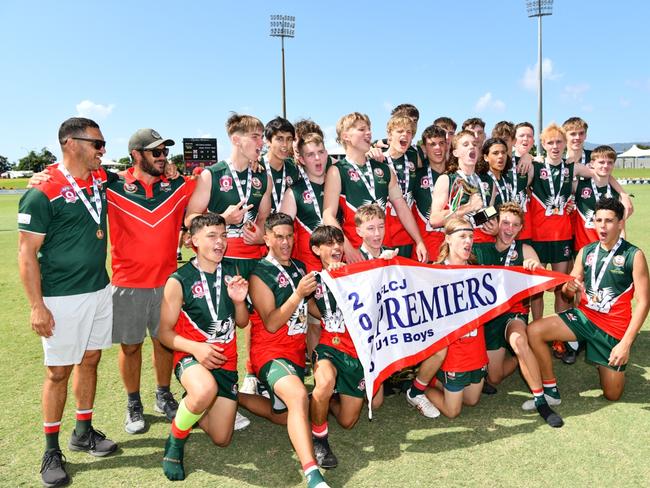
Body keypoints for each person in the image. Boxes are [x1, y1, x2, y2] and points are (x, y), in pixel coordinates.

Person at [18, 117, 117, 487]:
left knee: (91, 359)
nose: (103, 150)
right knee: (58, 372)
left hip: (98, 290)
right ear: (71, 143)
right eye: (98, 143)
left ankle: (83, 430)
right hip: (60, 297)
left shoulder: (100, 180)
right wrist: (36, 305)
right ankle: (50, 449)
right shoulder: (42, 191)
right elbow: (27, 253)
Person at [525, 198, 649, 405]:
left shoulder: (633, 255)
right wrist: (569, 287)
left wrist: (625, 345)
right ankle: (550, 390)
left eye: (608, 221)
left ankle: (603, 356)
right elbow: (566, 292)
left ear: (620, 223)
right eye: (598, 220)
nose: (602, 226)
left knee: (612, 394)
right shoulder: (587, 251)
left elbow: (644, 302)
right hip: (583, 317)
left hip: (612, 328)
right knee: (534, 330)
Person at [185, 113, 272, 399]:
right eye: (255, 137)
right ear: (236, 139)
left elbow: (265, 217)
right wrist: (223, 218)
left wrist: (260, 233)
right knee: (225, 319)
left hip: (256, 256)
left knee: (260, 316)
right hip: (224, 258)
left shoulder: (263, 174)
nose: (262, 142)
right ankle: (214, 384)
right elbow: (191, 218)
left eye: (262, 136)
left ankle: (253, 373)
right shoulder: (213, 173)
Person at [159, 213, 250, 481]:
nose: (220, 242)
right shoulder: (179, 280)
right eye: (212, 236)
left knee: (222, 438)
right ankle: (175, 441)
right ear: (193, 240)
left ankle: (194, 405)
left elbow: (242, 322)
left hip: (226, 362)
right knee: (204, 389)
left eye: (223, 235)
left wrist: (238, 301)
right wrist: (197, 349)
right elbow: (164, 333)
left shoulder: (234, 270)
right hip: (192, 357)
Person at [247, 213, 330, 488]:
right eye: (279, 236)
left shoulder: (299, 266)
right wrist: (297, 293)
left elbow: (311, 307)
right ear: (267, 238)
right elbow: (271, 323)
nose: (285, 242)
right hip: (269, 352)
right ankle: (312, 474)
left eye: (289, 236)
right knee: (297, 397)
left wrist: (332, 315)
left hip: (294, 355)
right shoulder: (260, 274)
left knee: (285, 416)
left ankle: (233, 396)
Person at [308, 225, 383, 469]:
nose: (337, 248)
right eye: (329, 244)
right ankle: (319, 439)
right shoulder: (312, 279)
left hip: (357, 352)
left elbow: (383, 278)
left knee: (348, 421)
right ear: (316, 250)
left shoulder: (357, 272)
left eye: (339, 242)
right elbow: (302, 304)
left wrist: (349, 274)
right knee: (325, 382)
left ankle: (323, 401)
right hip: (329, 347)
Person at [322, 112, 427, 264]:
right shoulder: (337, 170)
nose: (369, 133)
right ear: (345, 136)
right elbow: (328, 216)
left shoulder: (384, 169)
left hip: (385, 251)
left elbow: (402, 207)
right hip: (356, 252)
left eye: (369, 129)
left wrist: (419, 241)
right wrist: (347, 247)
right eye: (362, 129)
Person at [474, 203, 544, 394]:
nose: (509, 229)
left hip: (513, 313)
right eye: (505, 223)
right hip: (488, 317)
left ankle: (540, 395)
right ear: (496, 223)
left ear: (521, 228)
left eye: (515, 225)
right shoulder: (481, 249)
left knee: (518, 341)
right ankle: (513, 358)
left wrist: (535, 268)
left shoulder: (525, 250)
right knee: (494, 377)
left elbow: (543, 277)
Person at [422, 218, 487, 419]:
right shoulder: (435, 271)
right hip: (453, 350)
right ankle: (421, 388)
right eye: (462, 236)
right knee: (452, 411)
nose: (468, 241)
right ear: (448, 239)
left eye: (470, 236)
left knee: (472, 400)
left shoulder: (479, 269)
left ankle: (439, 381)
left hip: (475, 346)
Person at [280, 132, 328, 273]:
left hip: (340, 263)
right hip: (309, 270)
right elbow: (280, 231)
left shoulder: (339, 183)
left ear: (326, 154)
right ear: (301, 159)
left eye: (321, 152)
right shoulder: (293, 192)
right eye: (310, 154)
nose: (317, 158)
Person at [382, 114, 419, 257]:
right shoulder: (376, 159)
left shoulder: (415, 158)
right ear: (389, 135)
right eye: (400, 131)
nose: (405, 134)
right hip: (384, 232)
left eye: (409, 132)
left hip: (407, 232)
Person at [411, 125, 449, 260]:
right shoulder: (415, 176)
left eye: (441, 143)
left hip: (452, 251)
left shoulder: (457, 176)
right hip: (424, 252)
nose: (438, 148)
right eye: (432, 144)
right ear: (425, 148)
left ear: (447, 145)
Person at [263, 117, 299, 212]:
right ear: (267, 141)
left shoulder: (295, 167)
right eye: (279, 139)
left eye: (289, 139)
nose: (285, 144)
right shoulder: (255, 166)